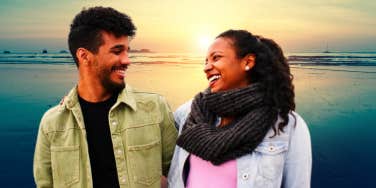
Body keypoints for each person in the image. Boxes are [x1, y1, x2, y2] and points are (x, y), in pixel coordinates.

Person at [33, 7, 177, 188]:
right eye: (117, 51)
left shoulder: (155, 108)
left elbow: (179, 175)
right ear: (84, 56)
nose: (127, 60)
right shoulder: (52, 124)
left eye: (127, 51)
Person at [168, 30, 312, 188]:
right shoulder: (188, 113)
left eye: (216, 57)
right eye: (206, 61)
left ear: (248, 62)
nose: (207, 67)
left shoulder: (287, 125)